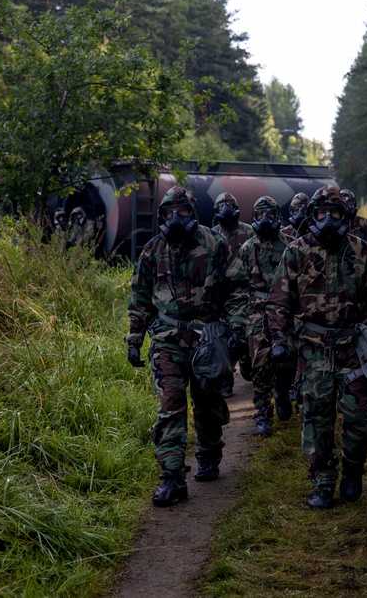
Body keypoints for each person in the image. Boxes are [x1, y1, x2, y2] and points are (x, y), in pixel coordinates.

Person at [267, 185, 367, 509]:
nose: (329, 219)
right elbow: (279, 304)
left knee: (361, 421)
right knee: (316, 418)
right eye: (322, 213)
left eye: (336, 213)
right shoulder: (296, 251)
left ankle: (353, 469)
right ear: (312, 215)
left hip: (352, 346)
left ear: (347, 216)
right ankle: (323, 482)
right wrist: (279, 341)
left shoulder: (362, 251)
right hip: (312, 348)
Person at [126, 186, 247, 507]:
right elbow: (139, 299)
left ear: (192, 213)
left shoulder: (214, 244)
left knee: (207, 404)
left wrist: (236, 329)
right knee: (171, 405)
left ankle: (209, 453)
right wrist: (134, 339)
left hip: (208, 338)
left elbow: (237, 288)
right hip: (167, 339)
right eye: (169, 212)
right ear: (161, 215)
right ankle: (172, 476)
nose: (175, 218)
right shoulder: (152, 251)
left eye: (182, 211)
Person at [232, 195, 296, 437]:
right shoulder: (248, 248)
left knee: (288, 362)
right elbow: (237, 286)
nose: (266, 219)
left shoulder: (291, 246)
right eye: (260, 215)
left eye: (270, 214)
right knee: (260, 364)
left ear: (278, 217)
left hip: (285, 311)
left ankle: (282, 390)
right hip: (257, 311)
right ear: (254, 218)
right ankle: (262, 415)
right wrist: (238, 322)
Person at [212, 191, 254, 397]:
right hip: (221, 295)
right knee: (222, 339)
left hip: (245, 294)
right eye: (221, 206)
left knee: (243, 334)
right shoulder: (211, 236)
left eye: (229, 205)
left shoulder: (250, 232)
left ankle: (246, 358)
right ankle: (226, 381)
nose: (226, 209)